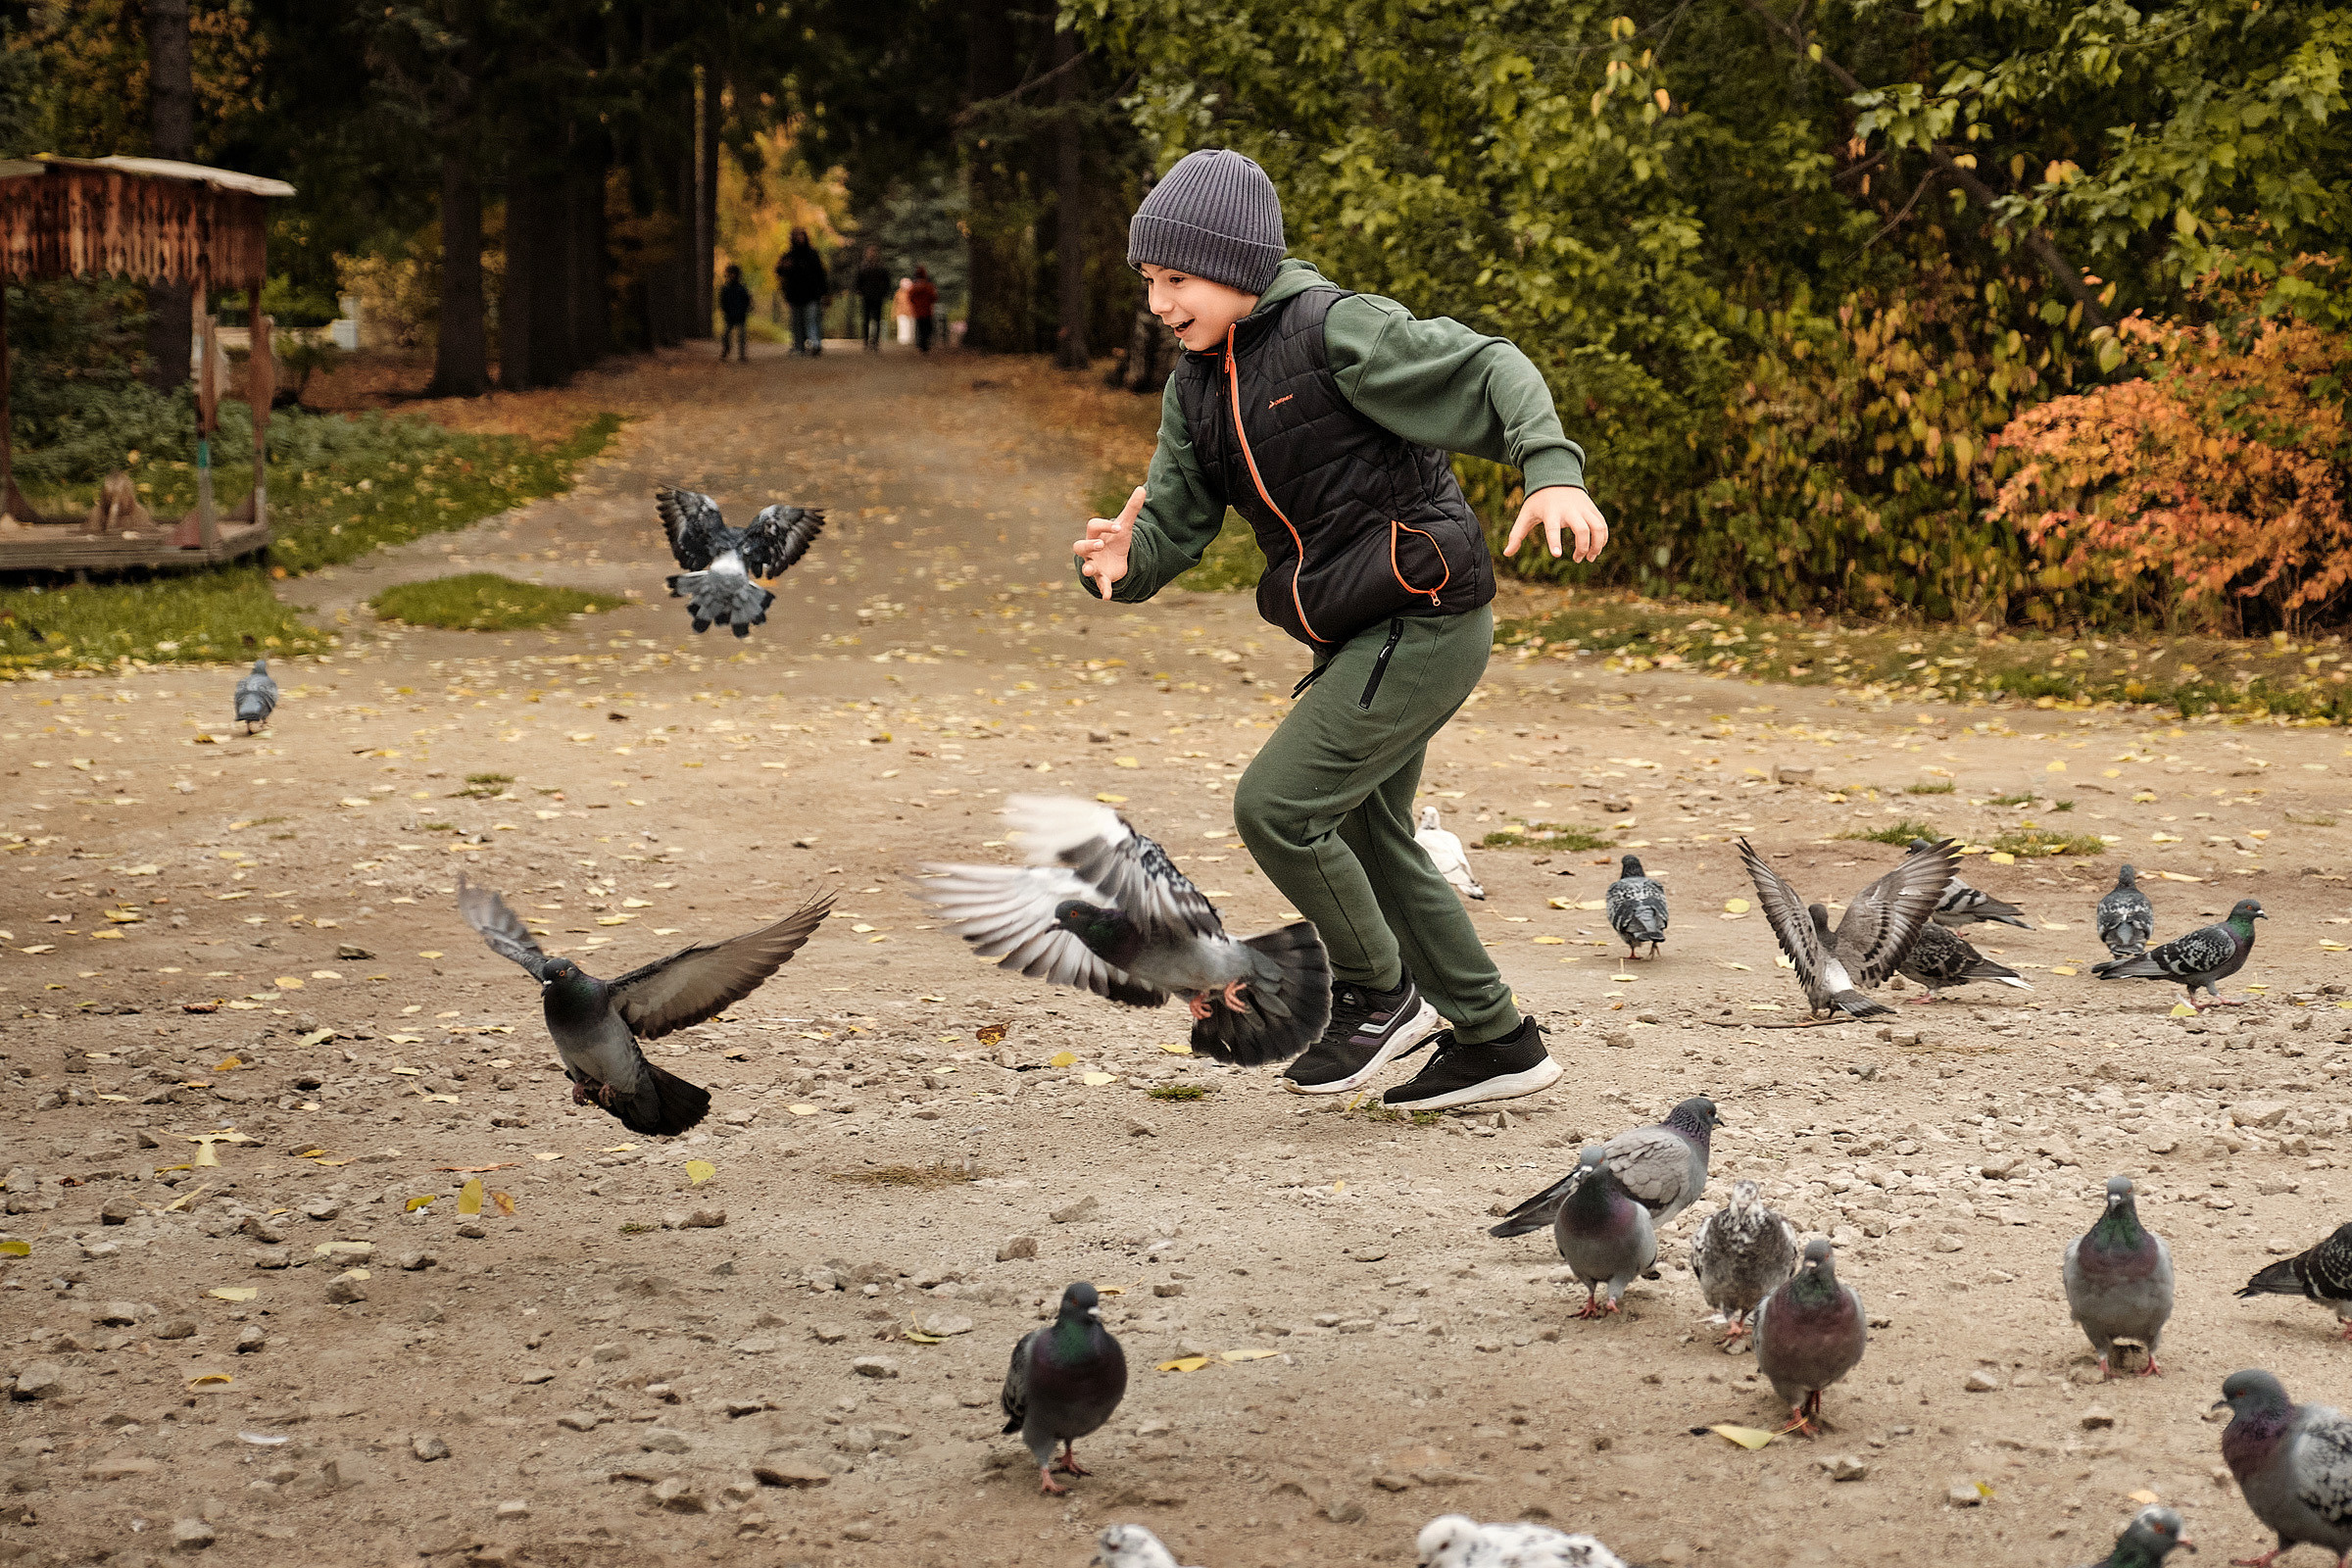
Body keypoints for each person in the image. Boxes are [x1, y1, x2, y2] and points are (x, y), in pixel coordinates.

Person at [1071, 148, 1610, 1113]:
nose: (1158, 302)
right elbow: (1175, 522)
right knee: (1370, 829)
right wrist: (1126, 557)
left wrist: (1552, 468)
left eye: (1176, 278)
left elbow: (1491, 365)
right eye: (1149, 281)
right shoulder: (1194, 387)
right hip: (1357, 630)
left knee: (1277, 806)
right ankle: (1497, 1040)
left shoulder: (1334, 332)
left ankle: (1379, 990)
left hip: (1428, 609)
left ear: (1237, 268)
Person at [776, 228, 829, 356]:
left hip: (811, 294)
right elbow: (779, 271)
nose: (800, 239)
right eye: (797, 236)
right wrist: (784, 268)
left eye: (801, 236)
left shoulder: (812, 255)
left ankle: (815, 344)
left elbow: (821, 274)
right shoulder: (789, 256)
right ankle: (799, 346)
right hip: (794, 295)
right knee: (797, 322)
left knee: (812, 319)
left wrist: (824, 292)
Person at [855, 246, 892, 353]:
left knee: (877, 320)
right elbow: (859, 281)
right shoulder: (863, 267)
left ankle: (875, 341)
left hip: (878, 296)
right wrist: (860, 291)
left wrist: (883, 292)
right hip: (867, 296)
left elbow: (886, 281)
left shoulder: (881, 267)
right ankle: (866, 341)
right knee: (866, 320)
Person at [717, 264, 753, 361]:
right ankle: (725, 350)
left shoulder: (741, 288)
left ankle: (742, 354)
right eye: (730, 273)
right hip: (729, 316)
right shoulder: (725, 289)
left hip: (741, 315)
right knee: (725, 335)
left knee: (741, 336)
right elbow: (722, 302)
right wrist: (726, 311)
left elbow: (747, 301)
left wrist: (745, 309)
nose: (732, 276)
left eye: (734, 274)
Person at [906, 266, 938, 354]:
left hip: (918, 310)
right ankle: (925, 343)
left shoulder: (914, 287)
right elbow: (934, 297)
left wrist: (915, 304)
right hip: (927, 310)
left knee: (920, 327)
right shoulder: (928, 286)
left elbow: (910, 297)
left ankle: (921, 343)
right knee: (927, 327)